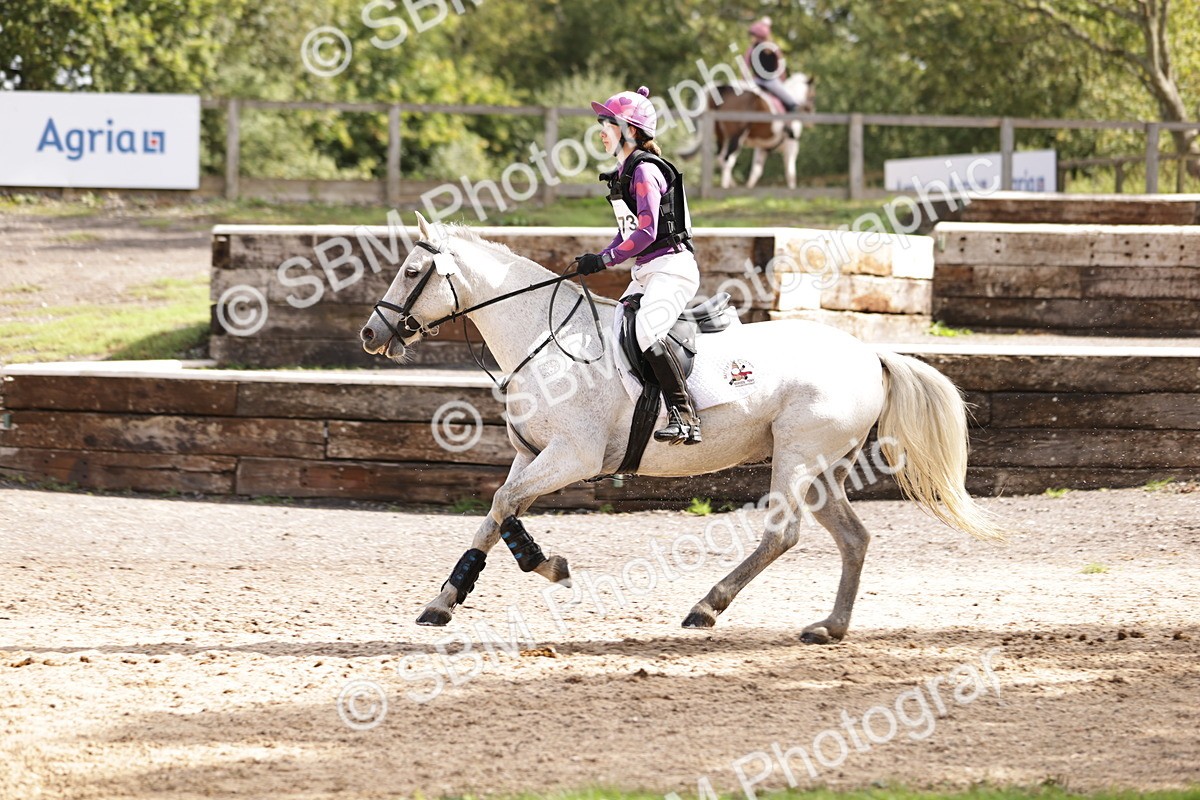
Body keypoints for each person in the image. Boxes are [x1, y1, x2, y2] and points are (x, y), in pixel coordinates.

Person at [573, 86, 702, 446]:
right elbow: (626, 233)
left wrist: (606, 259)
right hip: (646, 272)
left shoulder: (645, 171)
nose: (600, 132)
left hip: (672, 269)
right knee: (615, 331)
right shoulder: (625, 172)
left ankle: (685, 414)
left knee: (647, 329)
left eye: (607, 125)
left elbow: (648, 230)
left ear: (629, 131)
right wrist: (596, 258)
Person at [744, 16, 800, 113]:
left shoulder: (753, 49)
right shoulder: (773, 48)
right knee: (791, 102)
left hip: (760, 81)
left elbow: (745, 67)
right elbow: (781, 67)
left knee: (791, 101)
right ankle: (789, 119)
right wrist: (782, 80)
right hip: (766, 81)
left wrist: (745, 81)